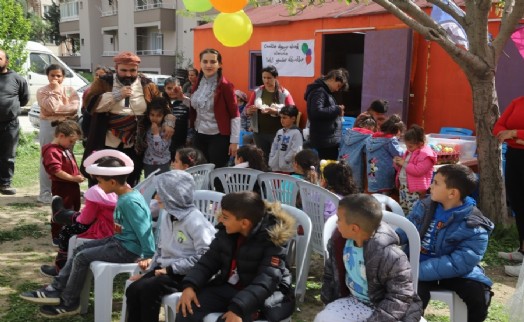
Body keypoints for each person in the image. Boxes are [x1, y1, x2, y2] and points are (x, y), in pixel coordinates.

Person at [20, 150, 155, 318]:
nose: (98, 186)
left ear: (112, 182)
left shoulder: (130, 202)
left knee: (82, 257)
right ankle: (55, 289)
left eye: (100, 182)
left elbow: (144, 229)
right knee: (80, 250)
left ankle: (69, 303)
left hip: (128, 250)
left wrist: (149, 255)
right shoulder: (124, 195)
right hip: (119, 241)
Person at [175, 191, 296, 322]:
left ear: (244, 223)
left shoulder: (272, 239)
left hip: (264, 296)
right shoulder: (226, 232)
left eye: (225, 217)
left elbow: (266, 280)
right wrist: (190, 285)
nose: (220, 220)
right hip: (230, 287)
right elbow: (208, 261)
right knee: (187, 308)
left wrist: (238, 308)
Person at [397, 164, 494, 322]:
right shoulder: (425, 207)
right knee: (410, 298)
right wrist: (389, 238)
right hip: (417, 270)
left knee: (477, 294)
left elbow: (462, 261)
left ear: (452, 193)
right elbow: (407, 229)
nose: (430, 186)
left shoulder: (473, 223)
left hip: (451, 272)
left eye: (436, 183)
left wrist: (418, 270)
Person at [125, 170, 216, 322]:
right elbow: (161, 249)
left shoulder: (194, 220)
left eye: (160, 193)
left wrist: (170, 269)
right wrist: (150, 271)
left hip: (187, 274)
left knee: (149, 289)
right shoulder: (168, 215)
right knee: (133, 289)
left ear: (173, 196)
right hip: (166, 271)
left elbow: (206, 255)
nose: (155, 197)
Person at [315, 194, 422, 322]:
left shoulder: (391, 255)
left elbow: (400, 296)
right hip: (354, 301)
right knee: (323, 319)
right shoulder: (339, 243)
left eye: (339, 219)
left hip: (389, 309)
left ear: (354, 228)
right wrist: (328, 300)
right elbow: (330, 275)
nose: (336, 222)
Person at [81, 51, 174, 187]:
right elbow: (89, 105)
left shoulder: (146, 84)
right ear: (116, 68)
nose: (128, 74)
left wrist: (169, 122)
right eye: (123, 70)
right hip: (107, 140)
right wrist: (117, 95)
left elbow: (162, 105)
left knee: (131, 176)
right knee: (104, 177)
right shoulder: (104, 82)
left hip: (135, 141)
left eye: (132, 70)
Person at [40, 173, 118, 277]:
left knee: (66, 231)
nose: (98, 184)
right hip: (116, 230)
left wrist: (78, 217)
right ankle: (60, 214)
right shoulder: (127, 191)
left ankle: (60, 268)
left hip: (102, 232)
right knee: (81, 218)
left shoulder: (96, 194)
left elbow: (85, 220)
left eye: (100, 181)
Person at [173, 48, 239, 168]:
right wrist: (182, 98)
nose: (208, 65)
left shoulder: (225, 86)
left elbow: (235, 115)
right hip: (199, 134)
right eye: (205, 61)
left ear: (219, 65)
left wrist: (234, 141)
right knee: (199, 171)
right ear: (200, 63)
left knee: (216, 173)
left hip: (218, 136)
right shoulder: (198, 83)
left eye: (213, 62)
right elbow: (197, 106)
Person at [37, 64, 80, 203]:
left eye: (59, 76)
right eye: (52, 75)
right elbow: (50, 107)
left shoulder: (69, 90)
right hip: (49, 125)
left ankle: (68, 186)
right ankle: (45, 192)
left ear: (63, 77)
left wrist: (58, 110)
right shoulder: (42, 91)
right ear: (47, 76)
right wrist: (55, 91)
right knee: (48, 158)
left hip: (67, 126)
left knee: (67, 157)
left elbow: (74, 108)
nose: (55, 78)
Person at [493, 96, 524, 276]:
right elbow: (498, 127)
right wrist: (520, 140)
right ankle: (522, 250)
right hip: (514, 157)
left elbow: (506, 132)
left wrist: (513, 134)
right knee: (518, 205)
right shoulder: (518, 102)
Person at [41, 120, 85, 246]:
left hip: (71, 185)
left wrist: (77, 175)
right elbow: (56, 171)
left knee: (73, 209)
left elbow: (71, 165)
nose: (72, 144)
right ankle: (57, 236)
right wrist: (73, 178)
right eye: (71, 141)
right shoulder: (51, 151)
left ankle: (69, 233)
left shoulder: (63, 148)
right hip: (62, 187)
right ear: (61, 136)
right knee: (61, 211)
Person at [244, 65, 295, 160]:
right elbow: (247, 108)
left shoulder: (283, 93)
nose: (266, 81)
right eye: (264, 78)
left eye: (269, 78)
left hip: (278, 133)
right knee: (262, 158)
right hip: (259, 133)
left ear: (275, 78)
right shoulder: (257, 92)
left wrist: (276, 111)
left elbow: (292, 111)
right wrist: (249, 111)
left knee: (276, 159)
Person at [0, 48, 29, 195]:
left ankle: (5, 183)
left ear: (7, 61)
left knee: (8, 155)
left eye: (0, 58)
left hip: (9, 124)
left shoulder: (18, 79)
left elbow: (24, 100)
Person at [304, 68, 349, 160]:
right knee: (326, 168)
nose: (337, 89)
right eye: (338, 85)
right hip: (325, 140)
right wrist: (337, 109)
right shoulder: (319, 91)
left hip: (327, 139)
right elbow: (316, 112)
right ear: (332, 78)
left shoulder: (324, 91)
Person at [393, 125, 437, 215]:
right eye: (407, 146)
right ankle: (404, 226)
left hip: (415, 189)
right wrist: (397, 163)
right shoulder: (410, 152)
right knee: (403, 209)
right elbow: (403, 168)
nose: (408, 148)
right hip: (404, 187)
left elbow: (418, 171)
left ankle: (413, 228)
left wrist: (403, 163)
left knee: (413, 211)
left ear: (420, 143)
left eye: (410, 146)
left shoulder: (426, 155)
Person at [366, 114, 404, 194]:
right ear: (397, 130)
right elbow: (398, 153)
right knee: (385, 196)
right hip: (385, 173)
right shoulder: (390, 140)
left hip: (372, 170)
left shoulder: (371, 138)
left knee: (375, 194)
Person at [338, 113, 376, 192]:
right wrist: (368, 187)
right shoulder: (369, 139)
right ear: (372, 127)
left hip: (341, 173)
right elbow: (368, 164)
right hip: (357, 179)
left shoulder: (346, 135)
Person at [142, 97, 172, 177]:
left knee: (161, 186)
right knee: (149, 187)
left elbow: (160, 149)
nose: (154, 118)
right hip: (148, 163)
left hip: (162, 163)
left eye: (158, 115)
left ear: (163, 116)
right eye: (152, 115)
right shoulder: (148, 126)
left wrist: (156, 134)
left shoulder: (166, 129)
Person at [268, 105, 303, 173]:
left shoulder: (296, 133)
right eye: (281, 117)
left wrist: (285, 160)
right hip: (275, 166)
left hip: (288, 168)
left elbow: (295, 150)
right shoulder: (279, 132)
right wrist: (272, 157)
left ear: (293, 119)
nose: (281, 120)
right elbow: (274, 145)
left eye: (284, 118)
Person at [163, 77, 190, 158]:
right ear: (164, 88)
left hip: (181, 143)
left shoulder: (186, 102)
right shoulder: (161, 102)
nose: (172, 91)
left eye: (174, 88)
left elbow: (191, 121)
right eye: (169, 88)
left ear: (180, 88)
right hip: (164, 142)